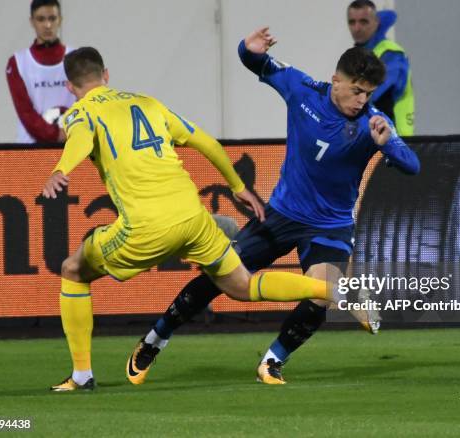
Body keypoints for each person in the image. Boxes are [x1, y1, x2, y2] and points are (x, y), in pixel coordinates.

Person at [44, 46, 353, 392]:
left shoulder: (80, 112)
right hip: (194, 218)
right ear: (107, 75)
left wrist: (60, 169)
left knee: (73, 269)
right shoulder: (149, 103)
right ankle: (332, 290)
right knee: (242, 286)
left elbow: (80, 140)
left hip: (145, 228)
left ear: (70, 87)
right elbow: (206, 142)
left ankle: (82, 376)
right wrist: (238, 186)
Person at [127, 27, 420, 386]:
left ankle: (272, 360)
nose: (361, 100)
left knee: (322, 294)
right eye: (356, 91)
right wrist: (246, 48)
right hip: (282, 214)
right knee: (220, 276)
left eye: (368, 93)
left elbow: (412, 165)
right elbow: (256, 61)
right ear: (336, 81)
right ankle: (154, 340)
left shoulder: (374, 123)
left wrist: (388, 144)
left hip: (331, 225)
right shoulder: (302, 89)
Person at [6, 0, 73, 143]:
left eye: (52, 18)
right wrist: (56, 135)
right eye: (41, 19)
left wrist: (72, 132)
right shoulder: (18, 62)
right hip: (31, 149)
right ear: (32, 21)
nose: (47, 25)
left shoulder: (76, 58)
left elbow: (86, 102)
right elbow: (25, 111)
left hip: (71, 146)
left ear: (60, 20)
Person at [347, 0, 414, 136]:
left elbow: (372, 92)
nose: (357, 28)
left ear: (377, 22)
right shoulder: (359, 54)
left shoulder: (391, 54)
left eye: (363, 22)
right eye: (352, 22)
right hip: (372, 137)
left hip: (395, 139)